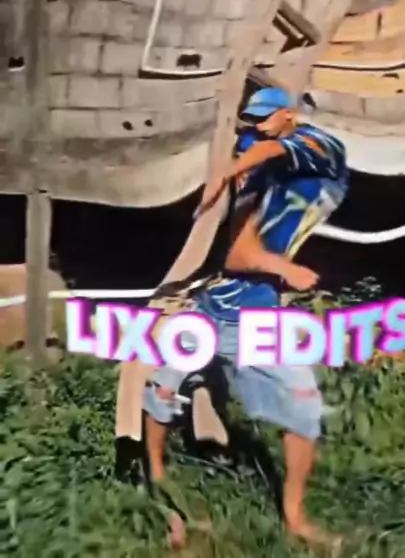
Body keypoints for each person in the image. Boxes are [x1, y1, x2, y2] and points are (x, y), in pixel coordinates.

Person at [143, 87, 349, 547]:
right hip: (214, 308)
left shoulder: (320, 149)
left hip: (256, 321)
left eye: (264, 118)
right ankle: (158, 488)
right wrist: (282, 266)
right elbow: (237, 254)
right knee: (160, 390)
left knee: (304, 411)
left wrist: (228, 173)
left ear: (289, 114)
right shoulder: (259, 170)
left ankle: (294, 517)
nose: (255, 128)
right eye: (250, 120)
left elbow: (275, 149)